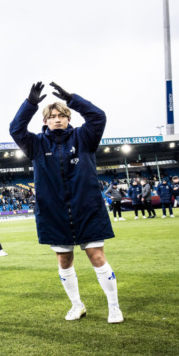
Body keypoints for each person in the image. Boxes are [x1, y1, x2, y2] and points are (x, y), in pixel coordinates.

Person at [10, 82, 123, 324]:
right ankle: (77, 305)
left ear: (68, 118)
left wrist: (73, 99)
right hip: (53, 212)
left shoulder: (84, 137)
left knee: (97, 255)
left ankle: (114, 307)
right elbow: (16, 129)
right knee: (64, 259)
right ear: (45, 121)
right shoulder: (36, 144)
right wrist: (30, 104)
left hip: (87, 207)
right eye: (52, 116)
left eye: (62, 115)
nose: (57, 119)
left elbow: (98, 116)